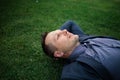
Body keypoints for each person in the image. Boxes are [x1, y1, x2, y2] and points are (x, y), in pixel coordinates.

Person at [41, 20, 120, 80]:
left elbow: (70, 23)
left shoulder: (81, 37)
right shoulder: (76, 71)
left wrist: (59, 34)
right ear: (58, 53)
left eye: (61, 31)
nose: (65, 31)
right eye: (58, 36)